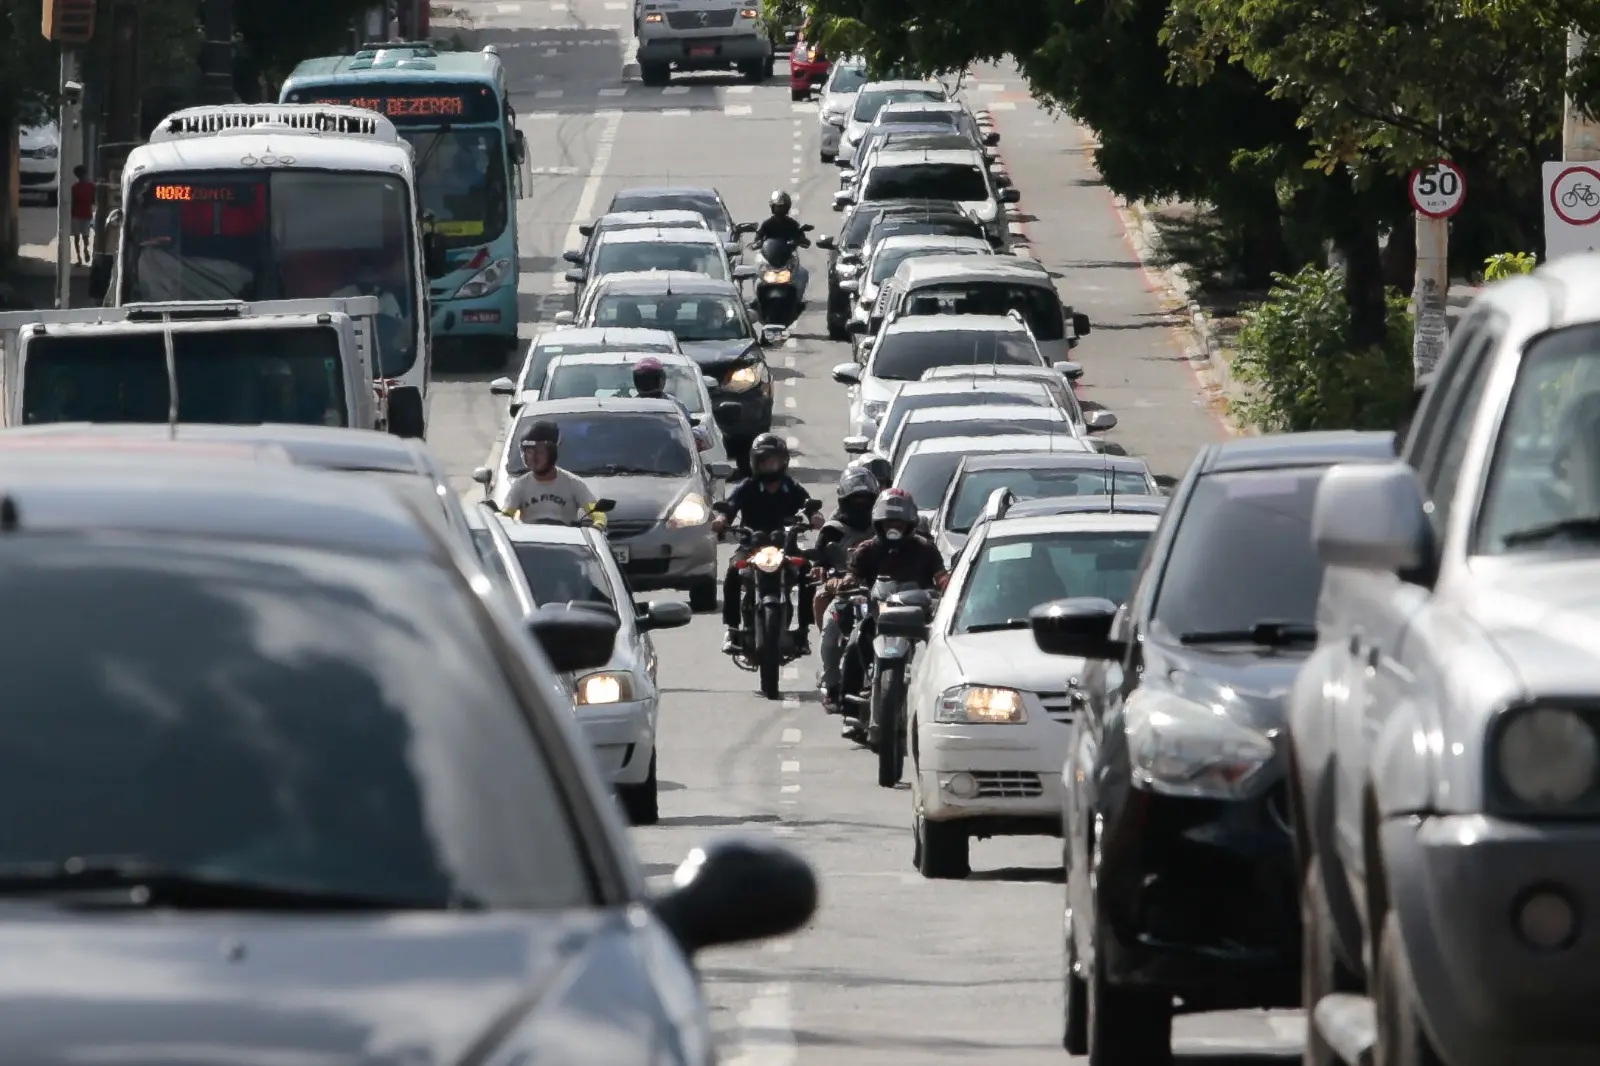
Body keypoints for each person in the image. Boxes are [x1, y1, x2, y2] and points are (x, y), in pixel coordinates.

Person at [711, 432, 824, 654]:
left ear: (783, 462)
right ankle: (733, 629)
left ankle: (802, 632)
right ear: (756, 462)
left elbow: (809, 506)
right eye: (766, 461)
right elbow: (730, 507)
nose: (771, 466)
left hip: (785, 546)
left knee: (808, 574)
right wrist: (722, 520)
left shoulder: (790, 486)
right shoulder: (747, 486)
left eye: (775, 461)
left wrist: (814, 517)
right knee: (733, 572)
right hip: (751, 547)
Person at [811, 467, 881, 712]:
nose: (861, 505)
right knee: (831, 628)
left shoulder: (885, 525)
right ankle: (831, 682)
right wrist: (821, 569)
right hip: (846, 591)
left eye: (866, 500)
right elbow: (820, 558)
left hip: (882, 592)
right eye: (855, 500)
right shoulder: (833, 529)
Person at [500, 421, 609, 529]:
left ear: (552, 453)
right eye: (529, 452)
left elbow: (598, 513)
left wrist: (598, 525)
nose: (534, 458)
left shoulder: (573, 484)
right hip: (530, 542)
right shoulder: (520, 485)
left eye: (540, 452)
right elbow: (506, 514)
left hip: (565, 542)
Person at [847, 488, 949, 592]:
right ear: (879, 524)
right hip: (875, 606)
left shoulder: (927, 549)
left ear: (909, 525)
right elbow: (851, 579)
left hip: (922, 606)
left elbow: (941, 576)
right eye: (888, 525)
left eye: (899, 526)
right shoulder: (865, 551)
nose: (893, 530)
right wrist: (843, 583)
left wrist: (946, 584)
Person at [632, 356, 711, 451]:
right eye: (643, 378)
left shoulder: (674, 404)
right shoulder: (674, 404)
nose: (647, 382)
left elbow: (688, 429)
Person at [753, 190, 810, 299]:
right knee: (756, 274)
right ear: (772, 207)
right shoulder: (767, 224)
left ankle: (798, 300)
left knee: (803, 274)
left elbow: (802, 238)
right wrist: (756, 244)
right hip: (770, 259)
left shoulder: (792, 224)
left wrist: (800, 241)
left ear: (787, 208)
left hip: (787, 258)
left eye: (783, 207)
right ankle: (756, 299)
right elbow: (758, 238)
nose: (780, 210)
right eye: (778, 207)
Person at [69, 166, 94, 265]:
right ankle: (83, 252)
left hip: (78, 214)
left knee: (78, 237)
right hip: (85, 214)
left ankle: (81, 254)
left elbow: (73, 203)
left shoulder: (75, 187)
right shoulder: (91, 187)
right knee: (84, 236)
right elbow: (93, 200)